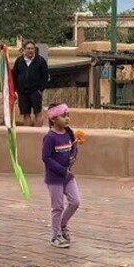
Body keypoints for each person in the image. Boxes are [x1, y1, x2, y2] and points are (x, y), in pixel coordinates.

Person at [41, 103, 81, 248]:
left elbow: (73, 148)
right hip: (55, 178)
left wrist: (73, 155)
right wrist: (61, 170)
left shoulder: (69, 133)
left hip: (68, 176)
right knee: (57, 207)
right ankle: (56, 235)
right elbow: (46, 158)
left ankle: (63, 224)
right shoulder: (50, 137)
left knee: (75, 202)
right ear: (53, 119)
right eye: (63, 116)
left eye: (68, 115)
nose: (67, 119)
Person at [12, 41, 49, 127]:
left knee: (37, 113)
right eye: (28, 48)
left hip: (35, 92)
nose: (30, 50)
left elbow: (45, 76)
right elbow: (14, 75)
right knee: (26, 114)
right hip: (22, 92)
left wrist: (40, 90)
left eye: (32, 48)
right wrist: (15, 90)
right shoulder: (19, 61)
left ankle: (38, 134)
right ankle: (28, 134)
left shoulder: (40, 61)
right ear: (24, 50)